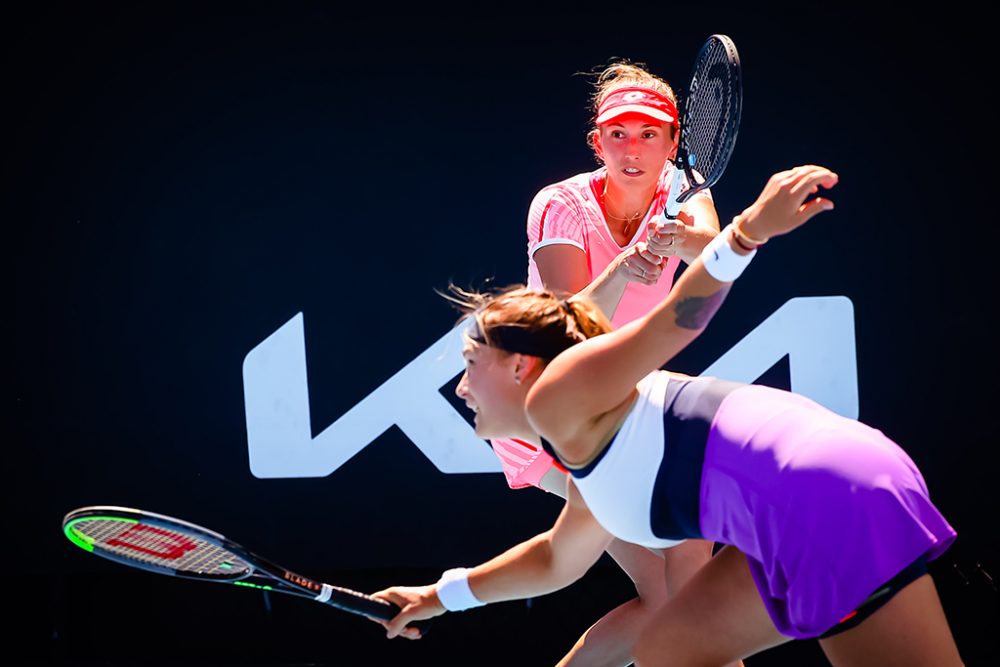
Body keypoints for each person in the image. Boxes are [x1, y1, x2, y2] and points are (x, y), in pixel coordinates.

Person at [373, 165, 963, 666]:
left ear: (523, 366)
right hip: (821, 485)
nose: (460, 385)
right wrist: (438, 595)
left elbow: (681, 316)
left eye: (474, 361)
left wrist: (747, 231)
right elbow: (556, 559)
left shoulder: (560, 392)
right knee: (671, 651)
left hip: (823, 495)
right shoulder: (578, 434)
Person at [486, 60, 729, 667]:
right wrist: (626, 267)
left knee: (668, 595)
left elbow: (717, 247)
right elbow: (570, 329)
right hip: (546, 409)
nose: (633, 147)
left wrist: (681, 241)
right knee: (686, 580)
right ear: (597, 142)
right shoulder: (559, 205)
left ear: (675, 143)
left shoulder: (683, 191)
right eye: (618, 133)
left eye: (650, 134)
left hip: (619, 412)